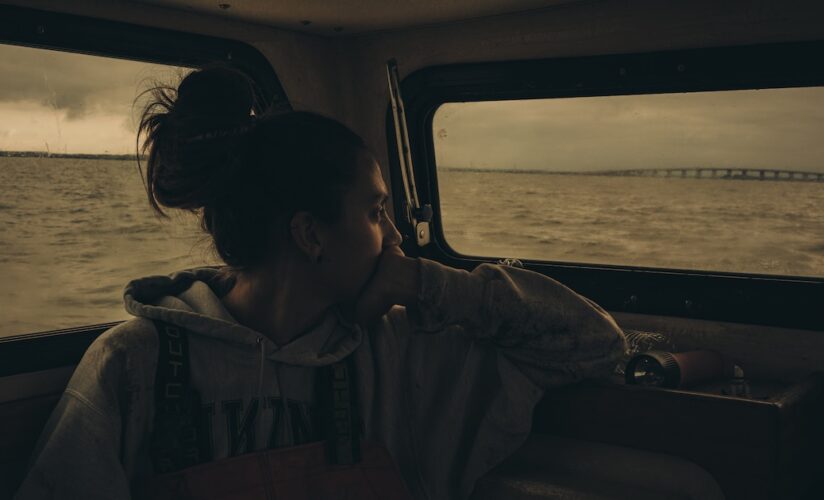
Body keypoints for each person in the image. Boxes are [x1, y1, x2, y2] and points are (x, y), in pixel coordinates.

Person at [15, 67, 627, 500]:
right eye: (374, 212)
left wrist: (425, 284)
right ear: (310, 234)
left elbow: (595, 343)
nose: (395, 237)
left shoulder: (398, 351)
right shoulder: (133, 365)